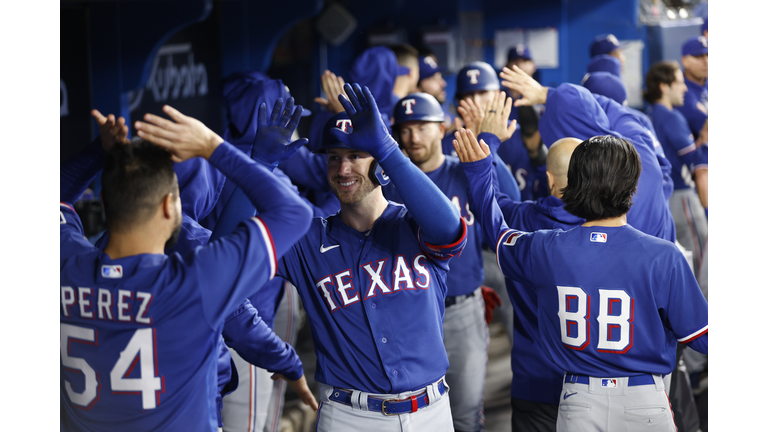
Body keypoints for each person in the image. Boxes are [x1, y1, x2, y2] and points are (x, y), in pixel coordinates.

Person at [210, 83, 468, 431]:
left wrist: (389, 150)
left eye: (356, 155)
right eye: (334, 157)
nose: (343, 169)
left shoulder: (415, 225)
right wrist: (258, 166)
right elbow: (222, 258)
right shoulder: (307, 239)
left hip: (430, 413)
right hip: (349, 416)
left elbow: (450, 228)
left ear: (380, 164)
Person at [60, 104, 313, 431]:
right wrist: (213, 147)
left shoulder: (68, 264)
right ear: (169, 205)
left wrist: (99, 152)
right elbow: (295, 213)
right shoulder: (193, 283)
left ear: (105, 202)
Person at [453, 129, 709, 432]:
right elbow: (702, 338)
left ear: (573, 184)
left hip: (579, 401)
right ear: (632, 186)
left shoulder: (547, 248)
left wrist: (478, 170)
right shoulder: (663, 255)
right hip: (644, 400)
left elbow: (496, 231)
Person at [387, 91, 519, 432]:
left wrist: (488, 147)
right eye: (405, 129)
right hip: (408, 314)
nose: (412, 137)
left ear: (442, 128)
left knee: (465, 414)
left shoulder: (463, 171)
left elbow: (510, 201)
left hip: (462, 311)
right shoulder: (389, 185)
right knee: (413, 419)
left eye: (422, 127)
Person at [463, 128, 584, 432]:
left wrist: (487, 147)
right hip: (593, 384)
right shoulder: (607, 231)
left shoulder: (521, 223)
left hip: (535, 381)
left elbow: (488, 202)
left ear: (550, 180)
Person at [500, 65, 676, 244]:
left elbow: (510, 214)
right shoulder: (640, 146)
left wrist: (488, 143)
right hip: (666, 256)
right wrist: (549, 94)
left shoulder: (583, 197)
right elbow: (614, 110)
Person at [645, 60, 708, 278]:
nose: (684, 88)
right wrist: (706, 139)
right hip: (682, 196)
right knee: (701, 261)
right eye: (679, 83)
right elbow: (694, 161)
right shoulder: (671, 117)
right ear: (664, 86)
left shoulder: (651, 114)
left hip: (663, 197)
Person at [455, 61, 546, 201]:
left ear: (497, 93)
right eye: (469, 94)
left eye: (483, 92)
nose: (476, 100)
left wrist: (539, 156)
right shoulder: (453, 139)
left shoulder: (519, 133)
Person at [676, 36, 709, 144]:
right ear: (685, 61)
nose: (706, 61)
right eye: (698, 56)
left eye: (708, 55)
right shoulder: (680, 89)